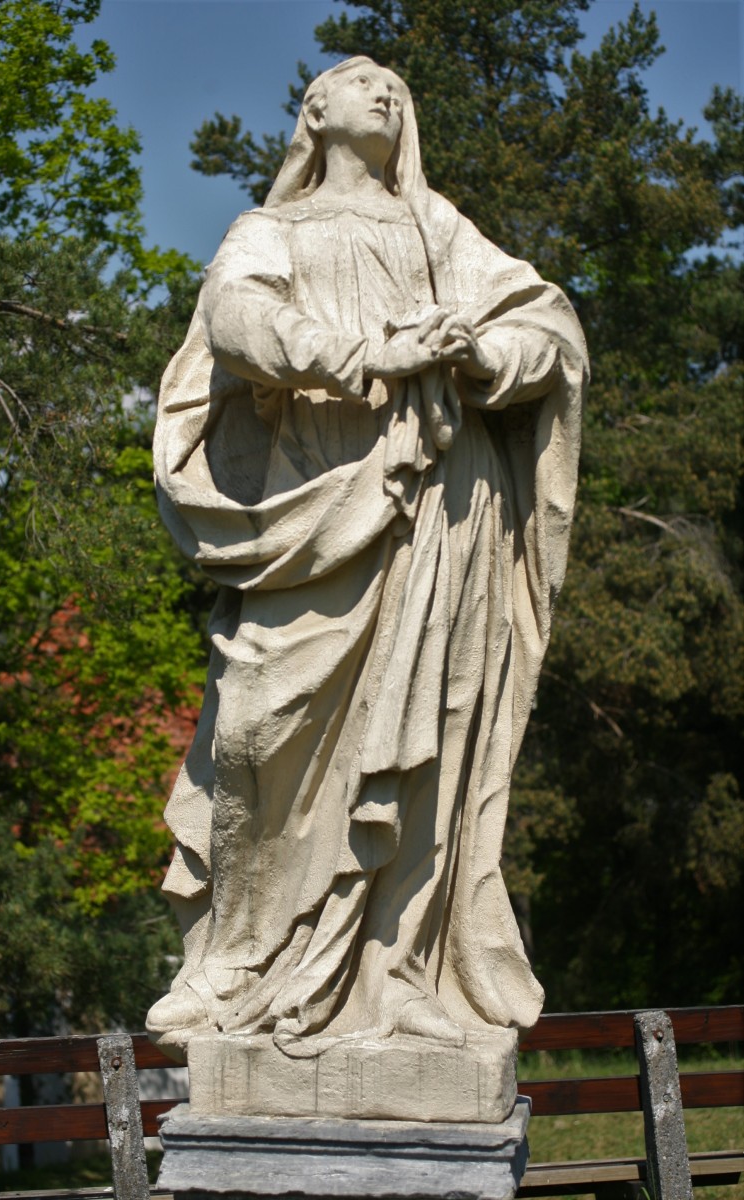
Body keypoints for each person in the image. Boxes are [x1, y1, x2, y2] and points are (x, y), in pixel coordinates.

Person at [148, 57, 588, 1055]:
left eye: (396, 85)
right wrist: (363, 355)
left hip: (445, 502)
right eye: (360, 80)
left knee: (431, 732)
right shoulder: (272, 230)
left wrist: (480, 354)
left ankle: (400, 967)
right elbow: (236, 319)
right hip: (321, 502)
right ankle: (234, 962)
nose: (385, 91)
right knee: (256, 730)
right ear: (314, 110)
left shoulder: (438, 230)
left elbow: (548, 328)